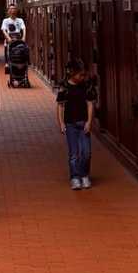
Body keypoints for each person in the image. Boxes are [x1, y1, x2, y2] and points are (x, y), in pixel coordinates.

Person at [56, 58, 95, 190]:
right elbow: (60, 105)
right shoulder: (64, 87)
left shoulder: (86, 85)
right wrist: (61, 123)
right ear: (72, 73)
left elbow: (90, 104)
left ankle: (84, 174)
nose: (83, 77)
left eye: (84, 75)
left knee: (86, 152)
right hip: (70, 124)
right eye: (80, 75)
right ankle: (75, 177)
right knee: (74, 154)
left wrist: (89, 122)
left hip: (83, 123)